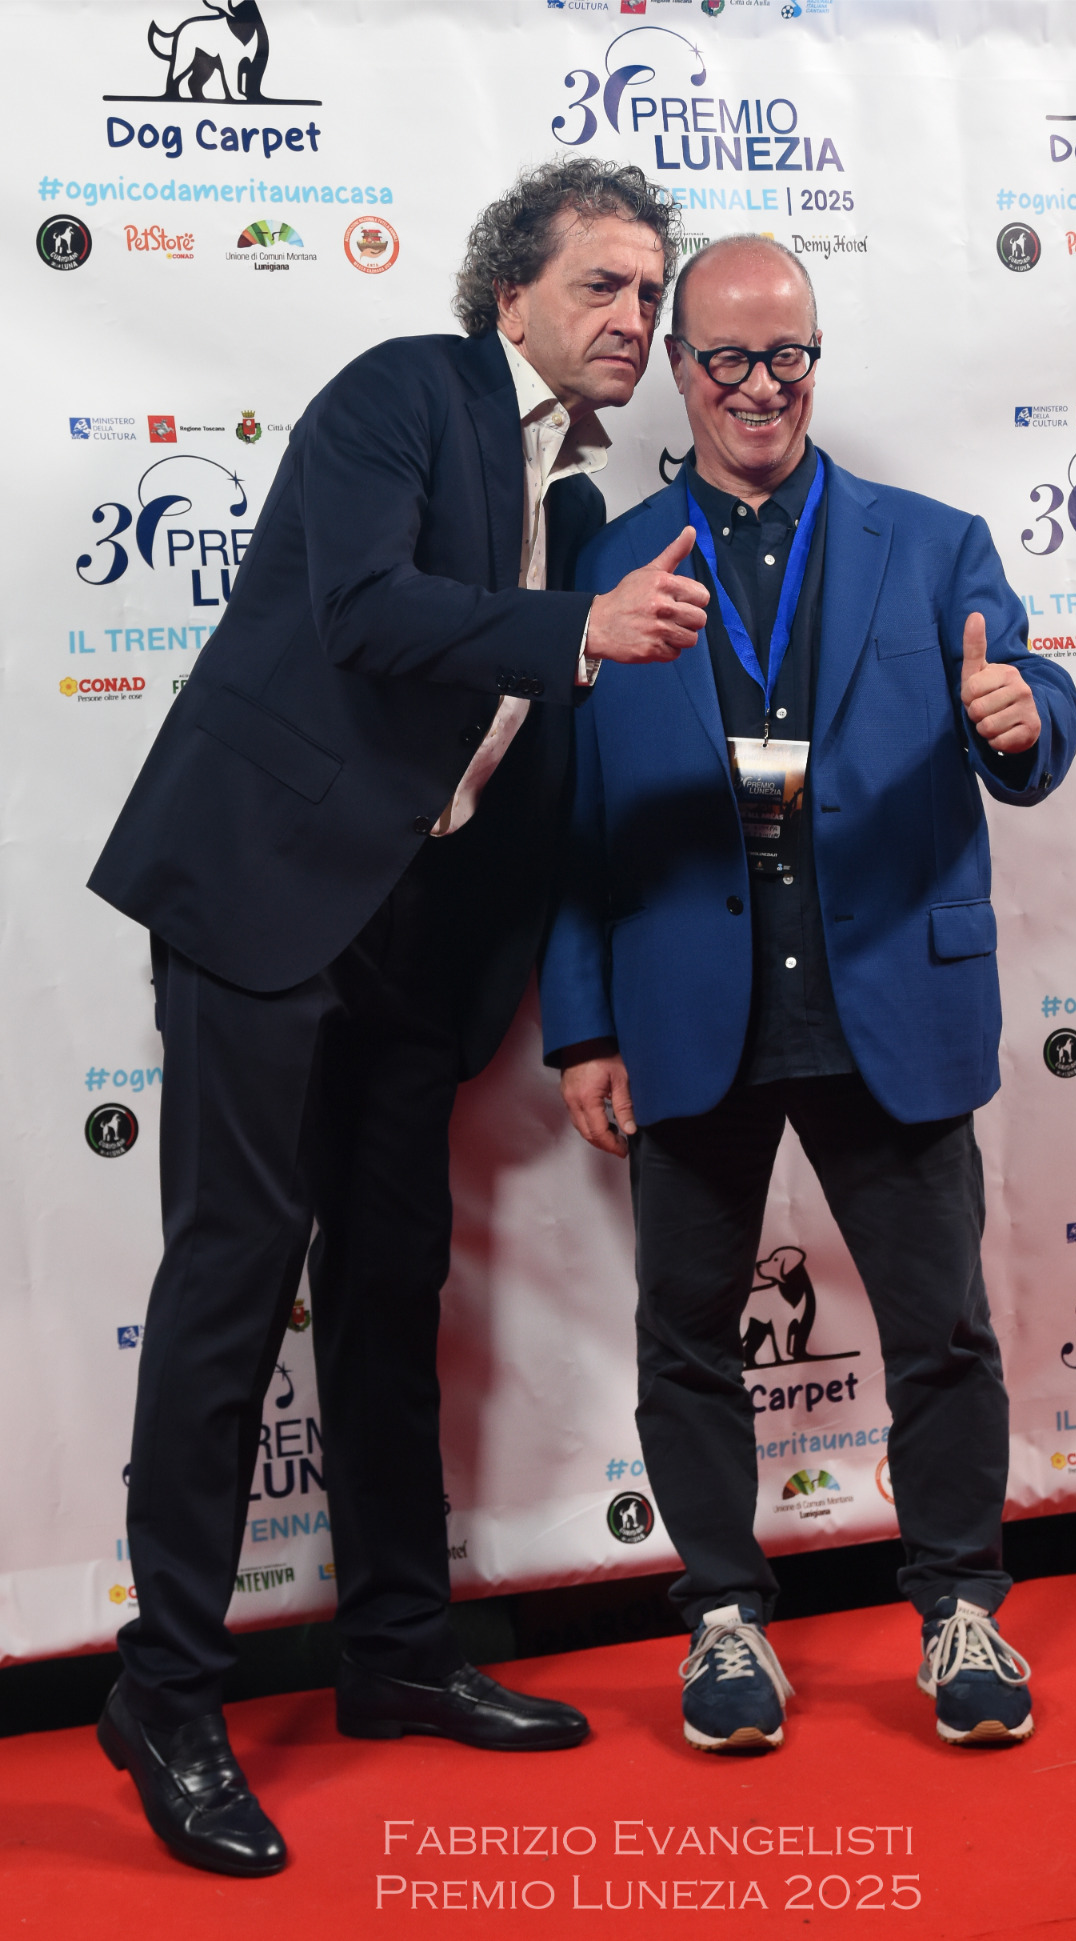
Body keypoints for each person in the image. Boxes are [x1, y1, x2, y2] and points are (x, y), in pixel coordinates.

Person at [87, 157, 709, 1876]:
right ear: (510, 291)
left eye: (647, 294)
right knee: (229, 1285)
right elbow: (360, 612)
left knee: (389, 1287)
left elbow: (524, 761)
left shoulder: (575, 499)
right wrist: (581, 629)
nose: (631, 318)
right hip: (263, 898)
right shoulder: (402, 392)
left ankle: (395, 1651)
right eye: (600, 284)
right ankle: (165, 1693)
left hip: (415, 944)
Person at [540, 236, 1076, 1755]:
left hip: (887, 1005)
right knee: (684, 1339)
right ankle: (722, 1617)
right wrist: (582, 1026)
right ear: (678, 369)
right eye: (727, 357)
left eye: (789, 356)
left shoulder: (935, 543)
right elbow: (569, 823)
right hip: (686, 1008)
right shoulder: (609, 566)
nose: (761, 386)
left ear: (816, 360)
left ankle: (959, 1603)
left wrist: (1022, 713)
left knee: (942, 1334)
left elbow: (1034, 694)